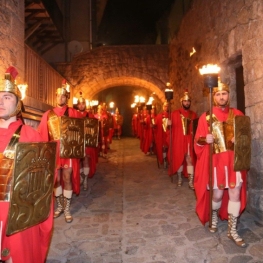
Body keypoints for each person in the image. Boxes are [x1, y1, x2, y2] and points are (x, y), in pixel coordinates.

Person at [0, 67, 53, 263]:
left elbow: (45, 181)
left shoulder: (30, 136)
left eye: (7, 97)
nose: (0, 101)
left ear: (17, 103)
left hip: (17, 214)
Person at [194, 80, 247, 247]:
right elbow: (197, 140)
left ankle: (232, 230)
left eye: (224, 94)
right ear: (214, 97)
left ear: (228, 96)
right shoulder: (206, 117)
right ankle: (214, 215)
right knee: (216, 195)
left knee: (235, 193)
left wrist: (238, 138)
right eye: (218, 94)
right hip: (216, 162)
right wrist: (204, 139)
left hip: (233, 161)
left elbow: (245, 138)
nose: (221, 97)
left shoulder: (237, 114)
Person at [38, 81, 81, 223]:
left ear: (66, 98)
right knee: (56, 179)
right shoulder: (48, 114)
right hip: (54, 150)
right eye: (58, 96)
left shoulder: (73, 113)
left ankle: (67, 208)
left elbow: (80, 131)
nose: (60, 98)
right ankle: (60, 206)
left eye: (63, 96)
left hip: (68, 150)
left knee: (67, 178)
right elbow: (43, 134)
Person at [167, 90, 198, 188]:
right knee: (179, 159)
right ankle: (179, 177)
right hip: (178, 140)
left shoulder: (193, 115)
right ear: (182, 102)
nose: (187, 103)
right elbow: (168, 129)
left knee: (189, 159)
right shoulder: (175, 114)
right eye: (185, 101)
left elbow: (196, 129)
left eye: (188, 101)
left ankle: (191, 180)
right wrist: (168, 124)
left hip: (189, 140)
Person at [76, 93, 97, 190]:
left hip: (87, 141)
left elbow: (94, 128)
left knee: (85, 160)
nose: (81, 105)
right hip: (77, 140)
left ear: (85, 104)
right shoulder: (74, 114)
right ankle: (81, 177)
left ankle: (85, 181)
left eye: (83, 103)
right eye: (79, 104)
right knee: (78, 161)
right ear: (77, 105)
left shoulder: (90, 115)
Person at [154, 101, 169, 168]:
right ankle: (165, 160)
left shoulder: (171, 115)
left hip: (168, 135)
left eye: (167, 106)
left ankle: (168, 160)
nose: (166, 107)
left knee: (168, 148)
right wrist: (153, 126)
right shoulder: (159, 116)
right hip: (162, 135)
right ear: (163, 107)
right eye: (165, 106)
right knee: (164, 148)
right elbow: (156, 125)